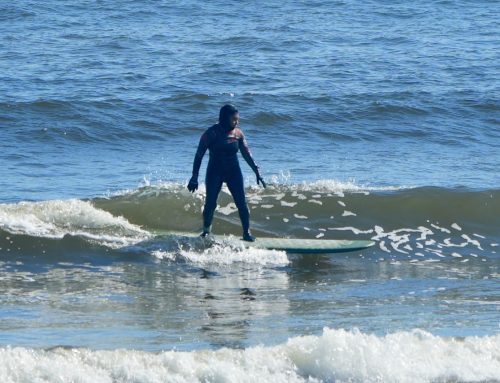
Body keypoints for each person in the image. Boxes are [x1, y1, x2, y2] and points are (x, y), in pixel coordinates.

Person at [187, 104, 266, 241]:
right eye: (234, 119)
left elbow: (247, 153)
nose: (237, 122)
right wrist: (194, 177)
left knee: (242, 203)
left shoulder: (238, 134)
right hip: (214, 172)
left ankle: (246, 233)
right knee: (210, 204)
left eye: (238, 119)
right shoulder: (211, 133)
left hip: (233, 172)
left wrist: (256, 170)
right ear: (224, 118)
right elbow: (199, 155)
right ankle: (206, 231)